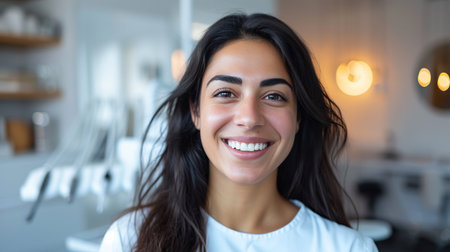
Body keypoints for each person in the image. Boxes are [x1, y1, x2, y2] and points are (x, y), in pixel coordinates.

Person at [99, 13, 378, 252]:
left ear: (298, 118)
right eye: (225, 93)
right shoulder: (129, 240)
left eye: (274, 96)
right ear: (196, 111)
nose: (249, 118)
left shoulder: (348, 248)